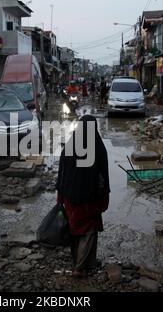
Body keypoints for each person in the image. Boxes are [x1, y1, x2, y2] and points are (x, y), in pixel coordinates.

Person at [56, 115, 111, 278]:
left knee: (74, 229)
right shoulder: (99, 148)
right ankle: (80, 268)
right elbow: (104, 177)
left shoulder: (70, 147)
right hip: (90, 200)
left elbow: (62, 175)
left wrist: (60, 197)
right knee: (89, 231)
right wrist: (104, 198)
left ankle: (83, 262)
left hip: (70, 199)